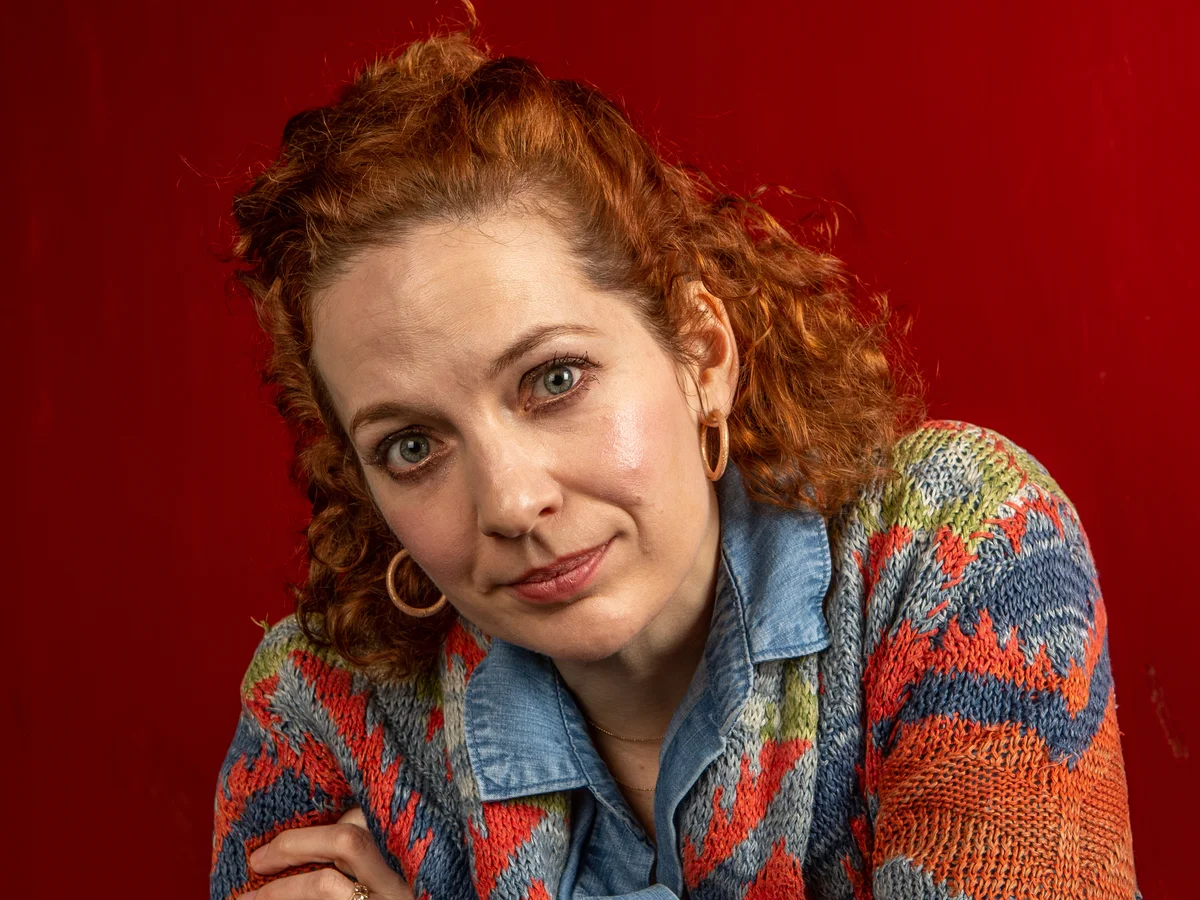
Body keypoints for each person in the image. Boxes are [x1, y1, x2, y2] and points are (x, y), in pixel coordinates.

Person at [210, 12, 1140, 900]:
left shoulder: (954, 548)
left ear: (702, 355)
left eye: (555, 380)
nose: (511, 502)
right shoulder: (321, 710)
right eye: (411, 446)